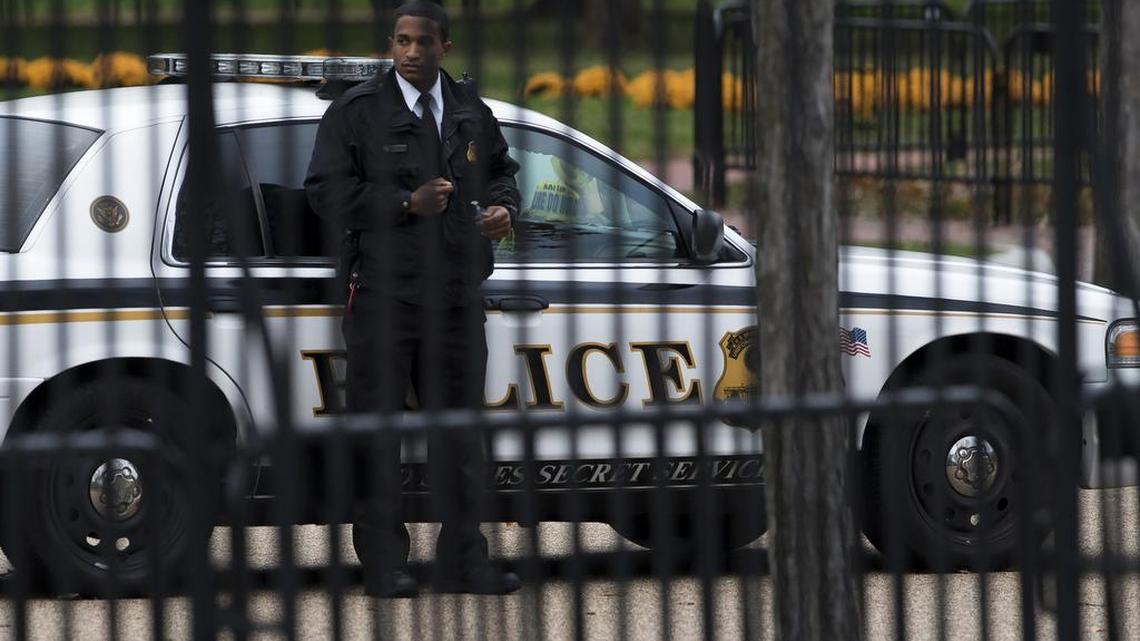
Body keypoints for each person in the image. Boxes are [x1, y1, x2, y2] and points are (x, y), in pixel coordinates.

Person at [305, 0, 521, 598]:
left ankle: (464, 558)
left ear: (444, 47)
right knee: (380, 435)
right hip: (384, 296)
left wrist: (506, 209)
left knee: (461, 434)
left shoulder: (470, 110)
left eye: (423, 42)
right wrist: (404, 204)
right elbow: (324, 192)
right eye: (401, 40)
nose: (410, 52)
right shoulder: (358, 113)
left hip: (455, 297)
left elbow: (503, 172)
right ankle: (383, 564)